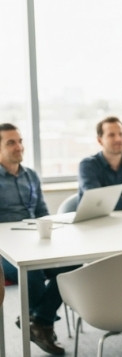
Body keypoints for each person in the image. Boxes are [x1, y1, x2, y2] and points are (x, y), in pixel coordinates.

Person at [0, 123, 71, 355]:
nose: (19, 146)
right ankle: (42, 323)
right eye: (11, 142)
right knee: (33, 272)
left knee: (73, 265)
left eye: (20, 141)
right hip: (6, 250)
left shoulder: (30, 175)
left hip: (35, 242)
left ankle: (39, 320)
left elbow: (42, 213)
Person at [78, 116, 122, 210]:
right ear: (100, 140)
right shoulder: (88, 165)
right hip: (96, 218)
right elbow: (97, 200)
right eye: (111, 135)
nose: (118, 139)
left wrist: (109, 201)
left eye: (121, 134)